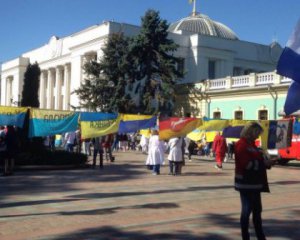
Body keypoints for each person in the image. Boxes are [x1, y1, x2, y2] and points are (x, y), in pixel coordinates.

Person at [234, 122, 273, 240]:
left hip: (255, 183)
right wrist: (263, 163)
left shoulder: (252, 145)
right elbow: (247, 165)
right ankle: (245, 237)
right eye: (257, 133)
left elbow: (257, 161)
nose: (257, 136)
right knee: (246, 211)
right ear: (251, 132)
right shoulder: (241, 144)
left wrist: (268, 161)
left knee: (257, 210)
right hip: (246, 183)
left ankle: (260, 236)